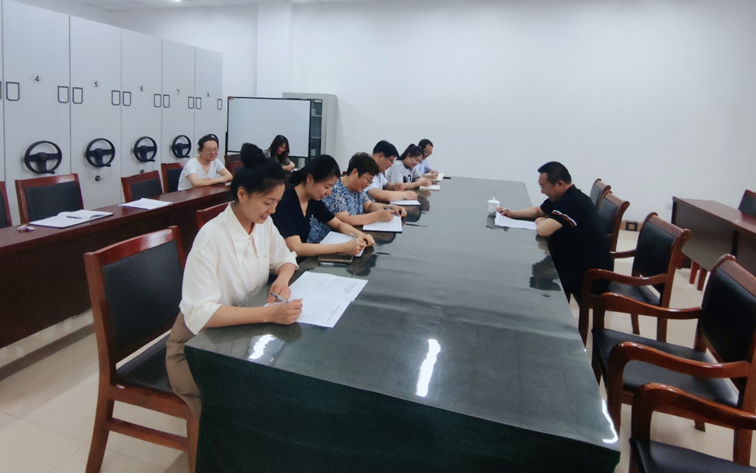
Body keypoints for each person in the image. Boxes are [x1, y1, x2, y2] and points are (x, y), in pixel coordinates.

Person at [166, 143, 303, 415]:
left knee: (283, 384)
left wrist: (283, 279)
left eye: (277, 203)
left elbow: (287, 258)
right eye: (268, 202)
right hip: (196, 346)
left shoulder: (262, 224)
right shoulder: (211, 238)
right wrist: (269, 314)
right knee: (252, 396)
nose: (273, 210)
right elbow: (202, 313)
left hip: (240, 336)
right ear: (242, 194)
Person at [497, 161, 611, 301]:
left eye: (543, 186)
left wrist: (541, 221)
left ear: (559, 184)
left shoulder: (574, 201)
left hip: (590, 274)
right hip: (573, 261)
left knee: (532, 280)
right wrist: (512, 213)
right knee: (532, 270)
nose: (542, 191)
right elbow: (538, 210)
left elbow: (543, 230)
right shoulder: (562, 197)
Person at [272, 154, 375, 258]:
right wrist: (343, 248)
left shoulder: (312, 200)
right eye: (326, 187)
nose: (329, 193)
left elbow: (338, 224)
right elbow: (296, 248)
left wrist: (361, 235)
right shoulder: (285, 204)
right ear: (310, 179)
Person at [308, 153, 408, 244]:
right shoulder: (335, 189)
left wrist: (390, 207)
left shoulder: (357, 189)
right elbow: (345, 220)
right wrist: (377, 216)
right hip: (324, 242)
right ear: (355, 172)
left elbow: (369, 205)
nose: (368, 184)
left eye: (371, 182)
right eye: (368, 180)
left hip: (349, 237)